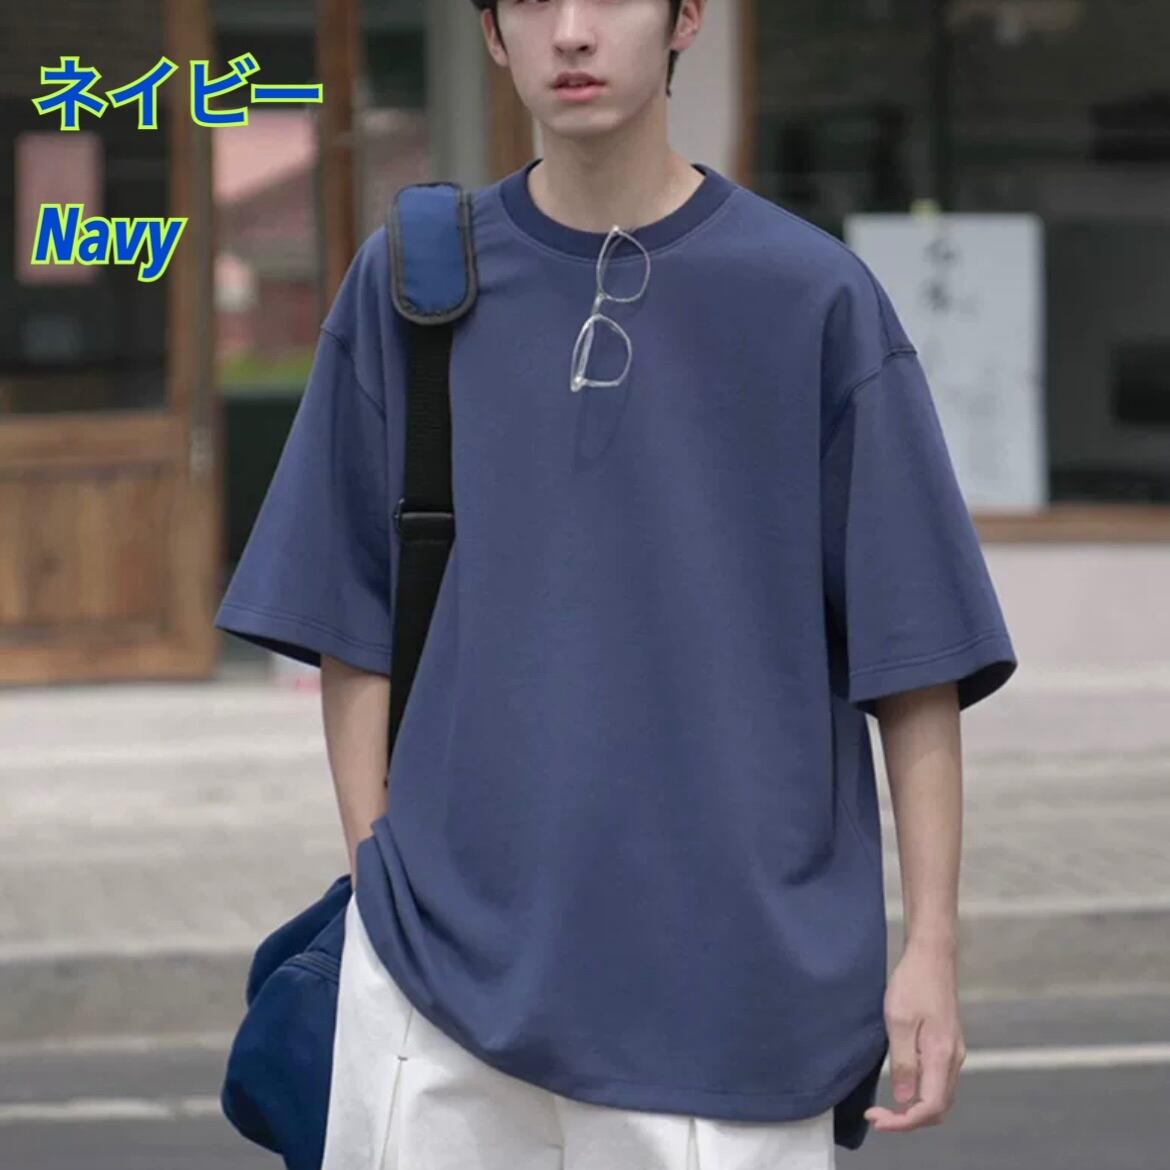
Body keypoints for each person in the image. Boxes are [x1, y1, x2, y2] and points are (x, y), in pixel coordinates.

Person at [214, 1, 1019, 1166]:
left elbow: (916, 663)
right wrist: (378, 879)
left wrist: (931, 949)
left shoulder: (813, 297)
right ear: (492, 34)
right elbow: (350, 620)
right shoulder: (410, 286)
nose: (573, 32)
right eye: (534, 2)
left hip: (734, 994)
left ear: (688, 17)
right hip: (440, 994)